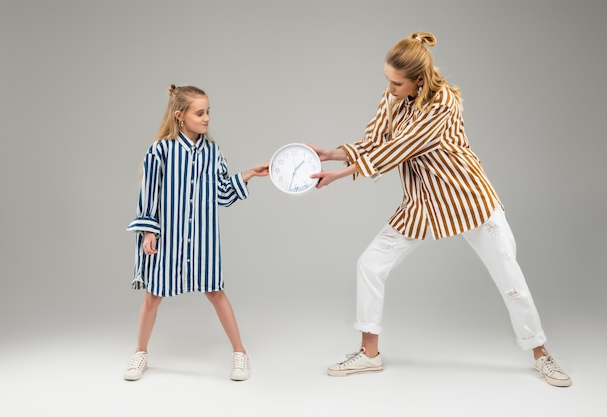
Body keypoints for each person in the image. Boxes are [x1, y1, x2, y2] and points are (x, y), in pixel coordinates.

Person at [307, 32, 571, 387]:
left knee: (511, 280)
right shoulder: (394, 99)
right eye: (386, 80)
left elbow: (399, 148)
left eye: (396, 82)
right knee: (370, 264)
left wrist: (340, 174)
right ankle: (369, 354)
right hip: (422, 203)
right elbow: (373, 142)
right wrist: (331, 153)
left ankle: (542, 355)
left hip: (468, 200)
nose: (388, 89)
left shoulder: (444, 103)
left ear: (419, 79)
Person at [124, 84, 269, 382]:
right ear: (180, 115)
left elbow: (223, 193)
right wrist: (149, 233)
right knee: (153, 295)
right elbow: (148, 194)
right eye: (200, 113)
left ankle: (240, 353)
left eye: (208, 112)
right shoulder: (160, 150)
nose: (207, 118)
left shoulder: (212, 152)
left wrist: (249, 173)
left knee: (215, 292)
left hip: (203, 240)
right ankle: (140, 353)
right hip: (169, 239)